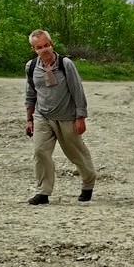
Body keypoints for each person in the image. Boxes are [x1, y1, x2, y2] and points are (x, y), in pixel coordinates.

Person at [24, 29, 96, 205]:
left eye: (46, 45)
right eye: (39, 47)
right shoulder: (31, 66)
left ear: (52, 44)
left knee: (76, 154)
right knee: (39, 151)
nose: (44, 49)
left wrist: (80, 117)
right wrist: (29, 119)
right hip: (43, 116)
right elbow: (30, 93)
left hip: (67, 117)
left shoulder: (65, 64)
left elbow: (77, 90)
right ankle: (43, 192)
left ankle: (88, 183)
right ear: (34, 49)